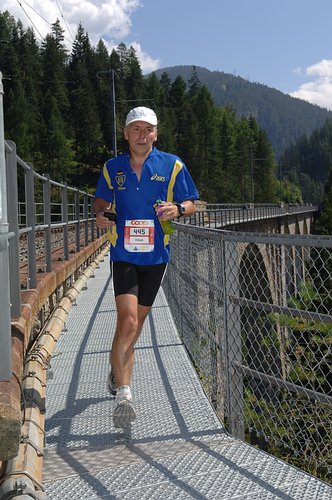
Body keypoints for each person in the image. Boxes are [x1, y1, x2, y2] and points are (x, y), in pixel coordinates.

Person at [94, 106, 199, 428]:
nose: (142, 135)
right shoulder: (113, 168)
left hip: (156, 256)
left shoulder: (173, 165)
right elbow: (100, 201)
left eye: (148, 130)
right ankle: (124, 393)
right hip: (124, 252)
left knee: (134, 327)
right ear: (126, 134)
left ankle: (116, 371)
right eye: (136, 129)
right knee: (126, 321)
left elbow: (193, 202)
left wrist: (177, 209)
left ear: (156, 134)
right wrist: (102, 213)